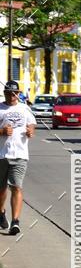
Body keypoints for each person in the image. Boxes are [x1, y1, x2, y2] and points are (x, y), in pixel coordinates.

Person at [0, 80, 36, 235]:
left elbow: (32, 124)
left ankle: (15, 222)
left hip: (20, 154)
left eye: (15, 93)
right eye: (9, 93)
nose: (12, 96)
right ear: (4, 93)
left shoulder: (24, 108)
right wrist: (1, 131)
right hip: (1, 155)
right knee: (1, 189)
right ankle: (1, 212)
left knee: (16, 186)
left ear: (19, 94)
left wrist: (30, 130)